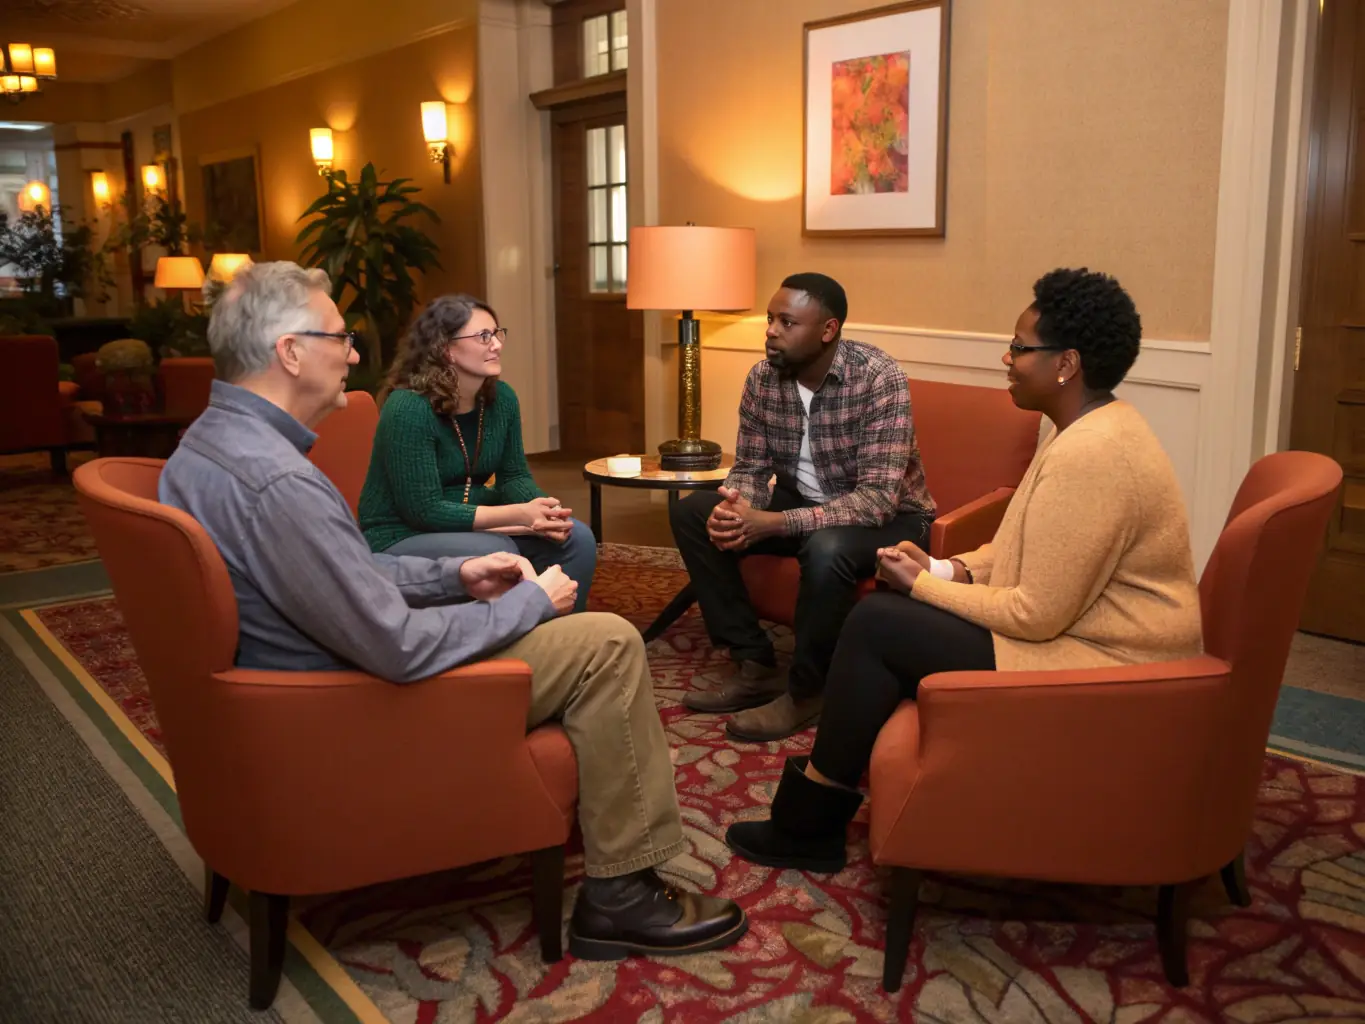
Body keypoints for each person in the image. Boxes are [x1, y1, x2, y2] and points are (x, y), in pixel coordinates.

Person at [159, 262, 746, 958]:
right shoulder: (280, 481)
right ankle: (619, 898)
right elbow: (395, 646)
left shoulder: (206, 446)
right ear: (289, 351)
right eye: (340, 338)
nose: (352, 353)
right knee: (607, 644)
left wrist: (455, 574)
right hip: (342, 702)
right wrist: (525, 604)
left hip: (292, 688)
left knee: (566, 596)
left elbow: (339, 575)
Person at [724, 267, 1204, 871]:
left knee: (879, 624)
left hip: (1110, 663)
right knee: (887, 618)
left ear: (1066, 364)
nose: (1006, 358)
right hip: (1084, 637)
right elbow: (1014, 547)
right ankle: (841, 798)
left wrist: (921, 586)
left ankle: (809, 822)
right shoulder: (1084, 428)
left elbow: (1034, 616)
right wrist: (945, 568)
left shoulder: (1093, 455)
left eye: (1021, 348)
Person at [669, 272, 935, 742]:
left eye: (787, 322)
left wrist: (771, 523)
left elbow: (876, 499)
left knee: (827, 547)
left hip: (893, 518)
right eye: (771, 318)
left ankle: (808, 690)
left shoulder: (879, 378)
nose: (770, 330)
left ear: (828, 330)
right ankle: (754, 663)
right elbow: (751, 466)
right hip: (807, 502)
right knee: (693, 510)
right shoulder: (762, 378)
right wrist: (738, 508)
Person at [358, 295, 596, 612]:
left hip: (473, 519)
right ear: (446, 349)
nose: (496, 344)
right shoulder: (408, 408)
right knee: (497, 549)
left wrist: (543, 512)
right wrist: (519, 514)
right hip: (400, 533)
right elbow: (423, 510)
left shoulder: (502, 399)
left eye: (498, 334)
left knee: (576, 537)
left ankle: (559, 639)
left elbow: (514, 475)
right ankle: (511, 640)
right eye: (484, 336)